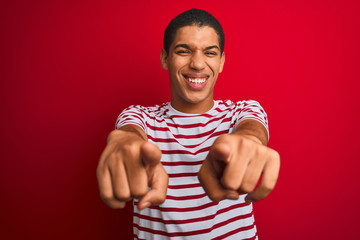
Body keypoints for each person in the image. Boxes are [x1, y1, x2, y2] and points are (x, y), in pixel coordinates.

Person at [97, 8, 280, 239]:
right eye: (184, 51)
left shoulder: (242, 111)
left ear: (222, 61)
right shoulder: (140, 116)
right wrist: (123, 143)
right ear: (165, 58)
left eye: (210, 53)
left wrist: (248, 141)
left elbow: (252, 129)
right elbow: (127, 133)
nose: (197, 64)